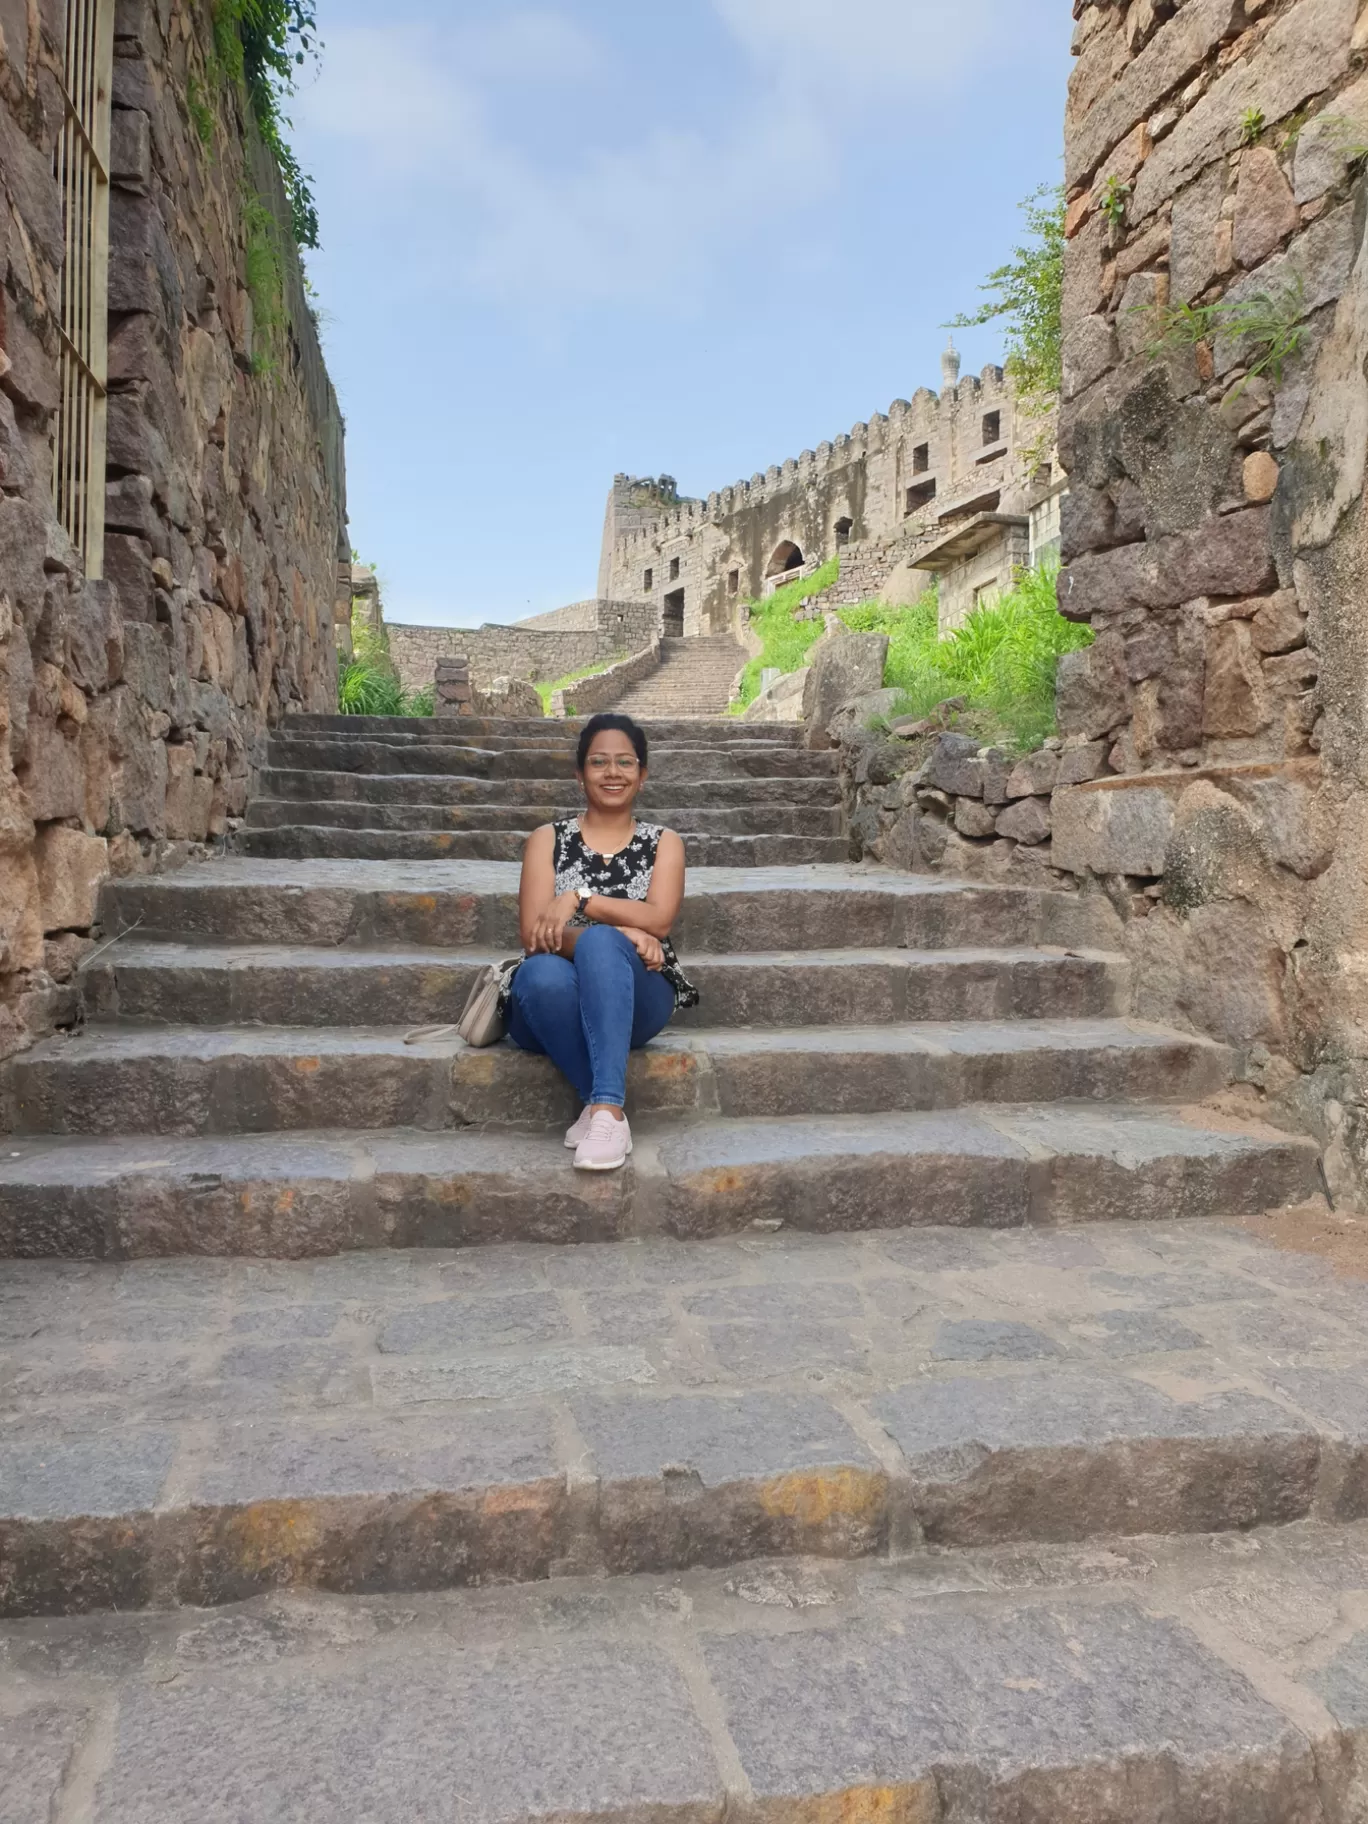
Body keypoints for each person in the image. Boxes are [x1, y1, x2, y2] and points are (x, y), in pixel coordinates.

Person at [505, 712, 699, 1172]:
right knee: (543, 973)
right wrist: (624, 933)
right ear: (579, 773)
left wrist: (582, 899)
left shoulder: (663, 842)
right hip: (550, 1002)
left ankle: (606, 1109)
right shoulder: (546, 840)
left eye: (625, 763)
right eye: (598, 762)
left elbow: (660, 920)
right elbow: (536, 936)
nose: (613, 773)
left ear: (643, 774)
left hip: (639, 995)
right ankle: (603, 1110)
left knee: (598, 944)